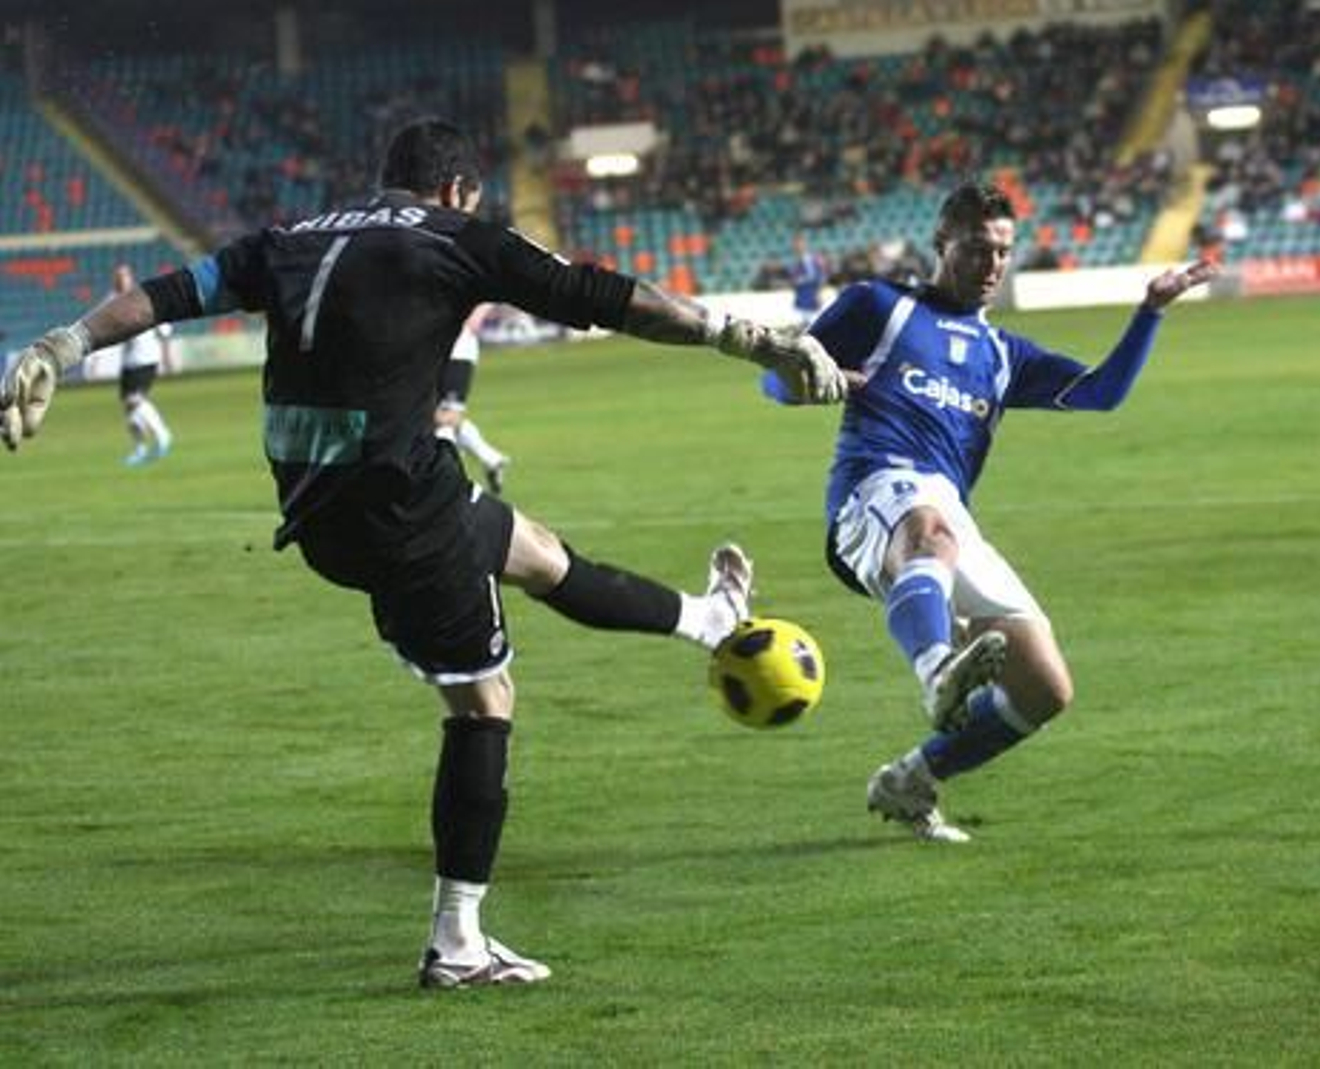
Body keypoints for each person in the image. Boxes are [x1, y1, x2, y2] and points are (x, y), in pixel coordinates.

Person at [1, 119, 847, 987]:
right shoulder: (455, 237)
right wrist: (752, 338)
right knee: (483, 701)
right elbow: (603, 295)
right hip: (401, 511)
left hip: (319, 506)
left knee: (535, 552)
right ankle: (457, 940)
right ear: (456, 190)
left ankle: (709, 619)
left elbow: (168, 293)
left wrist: (63, 345)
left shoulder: (288, 239)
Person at [767, 180, 1216, 843]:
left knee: (1044, 686)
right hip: (873, 492)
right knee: (931, 531)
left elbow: (1101, 392)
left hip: (947, 513)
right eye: (978, 248)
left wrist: (1150, 310)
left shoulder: (1002, 355)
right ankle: (935, 670)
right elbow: (775, 382)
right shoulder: (878, 306)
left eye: (1004, 250)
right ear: (942, 243)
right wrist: (813, 380)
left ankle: (912, 778)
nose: (993, 264)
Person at [435, 302, 511, 494]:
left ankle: (449, 479)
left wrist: (476, 316)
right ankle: (491, 460)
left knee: (445, 416)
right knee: (433, 414)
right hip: (438, 350)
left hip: (457, 350)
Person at [109, 262, 177, 466]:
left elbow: (164, 328)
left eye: (124, 276)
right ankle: (140, 448)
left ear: (130, 278)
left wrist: (167, 355)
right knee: (128, 407)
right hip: (128, 361)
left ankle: (162, 434)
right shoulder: (111, 301)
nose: (121, 280)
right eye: (118, 277)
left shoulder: (142, 297)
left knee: (134, 400)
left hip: (146, 357)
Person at [789, 233, 827, 328]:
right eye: (795, 243)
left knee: (811, 327)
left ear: (805, 244)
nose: (796, 246)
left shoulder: (808, 258)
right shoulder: (797, 260)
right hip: (802, 298)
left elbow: (817, 276)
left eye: (799, 243)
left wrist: (818, 293)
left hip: (809, 298)